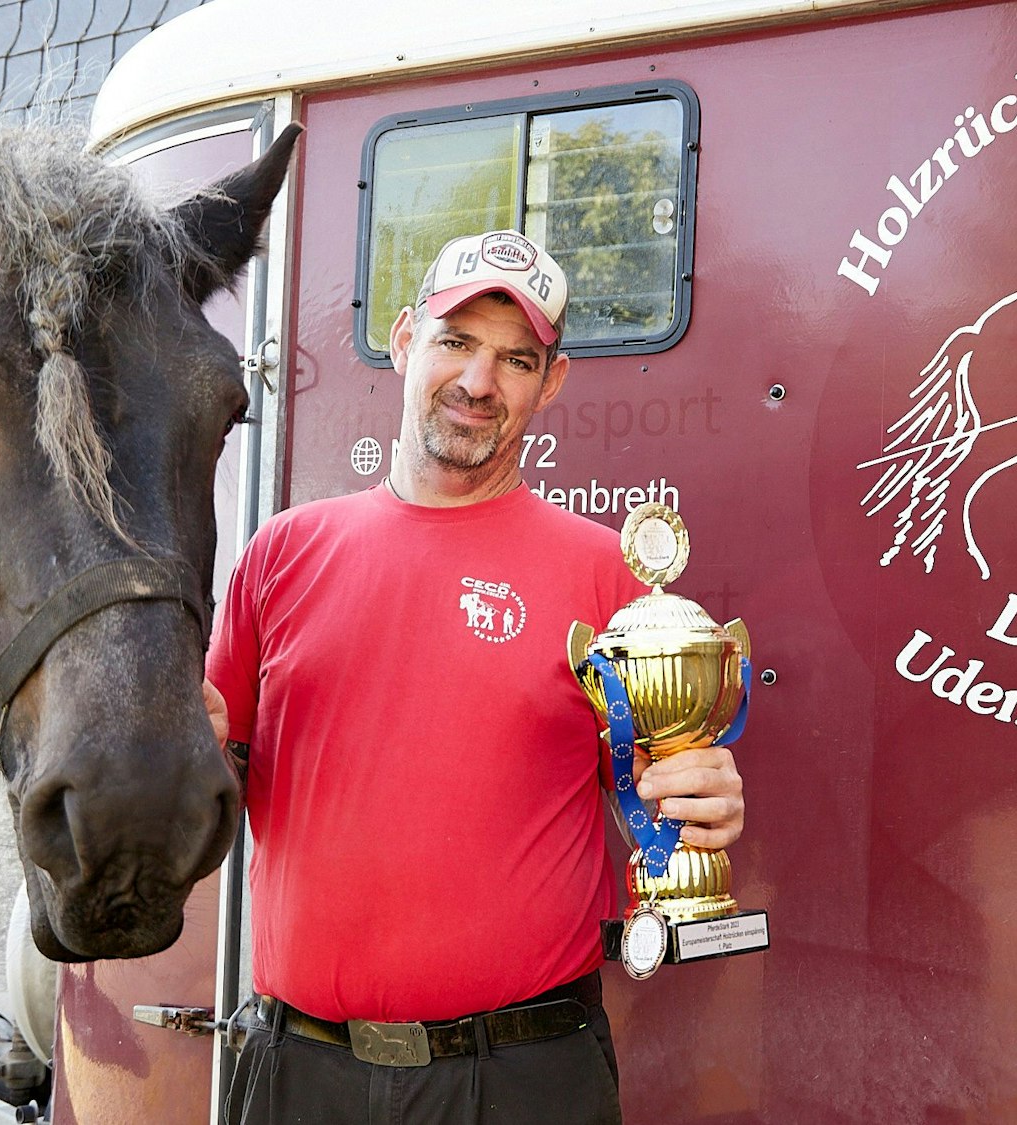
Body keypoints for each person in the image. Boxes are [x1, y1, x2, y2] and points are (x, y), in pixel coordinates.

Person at [203, 229, 746, 1124]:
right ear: (406, 339)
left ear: (552, 383)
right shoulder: (282, 553)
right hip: (302, 1070)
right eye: (457, 342)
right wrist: (178, 750)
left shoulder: (609, 575)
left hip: (525, 1076)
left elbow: (655, 806)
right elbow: (216, 787)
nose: (479, 382)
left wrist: (699, 805)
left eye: (516, 358)